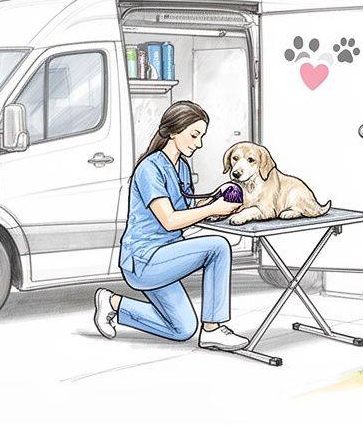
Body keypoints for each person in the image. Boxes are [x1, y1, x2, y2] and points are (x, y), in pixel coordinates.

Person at [92, 100, 248, 350]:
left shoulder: (182, 168)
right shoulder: (149, 168)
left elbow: (184, 216)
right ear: (174, 131)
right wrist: (211, 208)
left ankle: (113, 303)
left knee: (183, 329)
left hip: (166, 257)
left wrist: (212, 203)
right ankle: (213, 329)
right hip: (144, 261)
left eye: (201, 137)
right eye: (194, 135)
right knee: (218, 247)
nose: (198, 144)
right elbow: (169, 219)